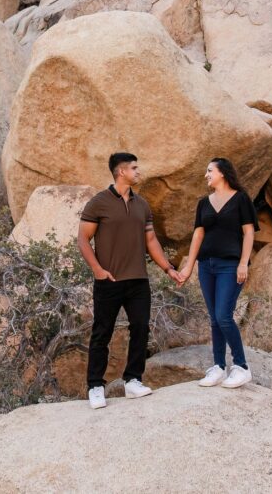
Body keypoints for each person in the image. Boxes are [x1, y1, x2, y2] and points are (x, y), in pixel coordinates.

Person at [77, 151, 182, 410]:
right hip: (109, 280)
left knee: (140, 328)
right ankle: (95, 386)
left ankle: (133, 380)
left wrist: (169, 268)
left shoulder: (142, 204)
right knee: (102, 333)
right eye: (134, 168)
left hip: (138, 280)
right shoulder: (98, 203)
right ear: (121, 171)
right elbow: (82, 239)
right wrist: (97, 270)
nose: (138, 172)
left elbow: (151, 241)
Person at [176, 157, 256, 389]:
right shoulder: (204, 203)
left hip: (230, 266)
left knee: (223, 315)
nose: (206, 175)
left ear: (223, 173)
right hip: (206, 266)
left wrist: (243, 263)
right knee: (214, 318)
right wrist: (189, 267)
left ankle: (241, 367)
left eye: (210, 170)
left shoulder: (241, 199)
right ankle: (219, 367)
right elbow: (198, 236)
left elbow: (249, 233)